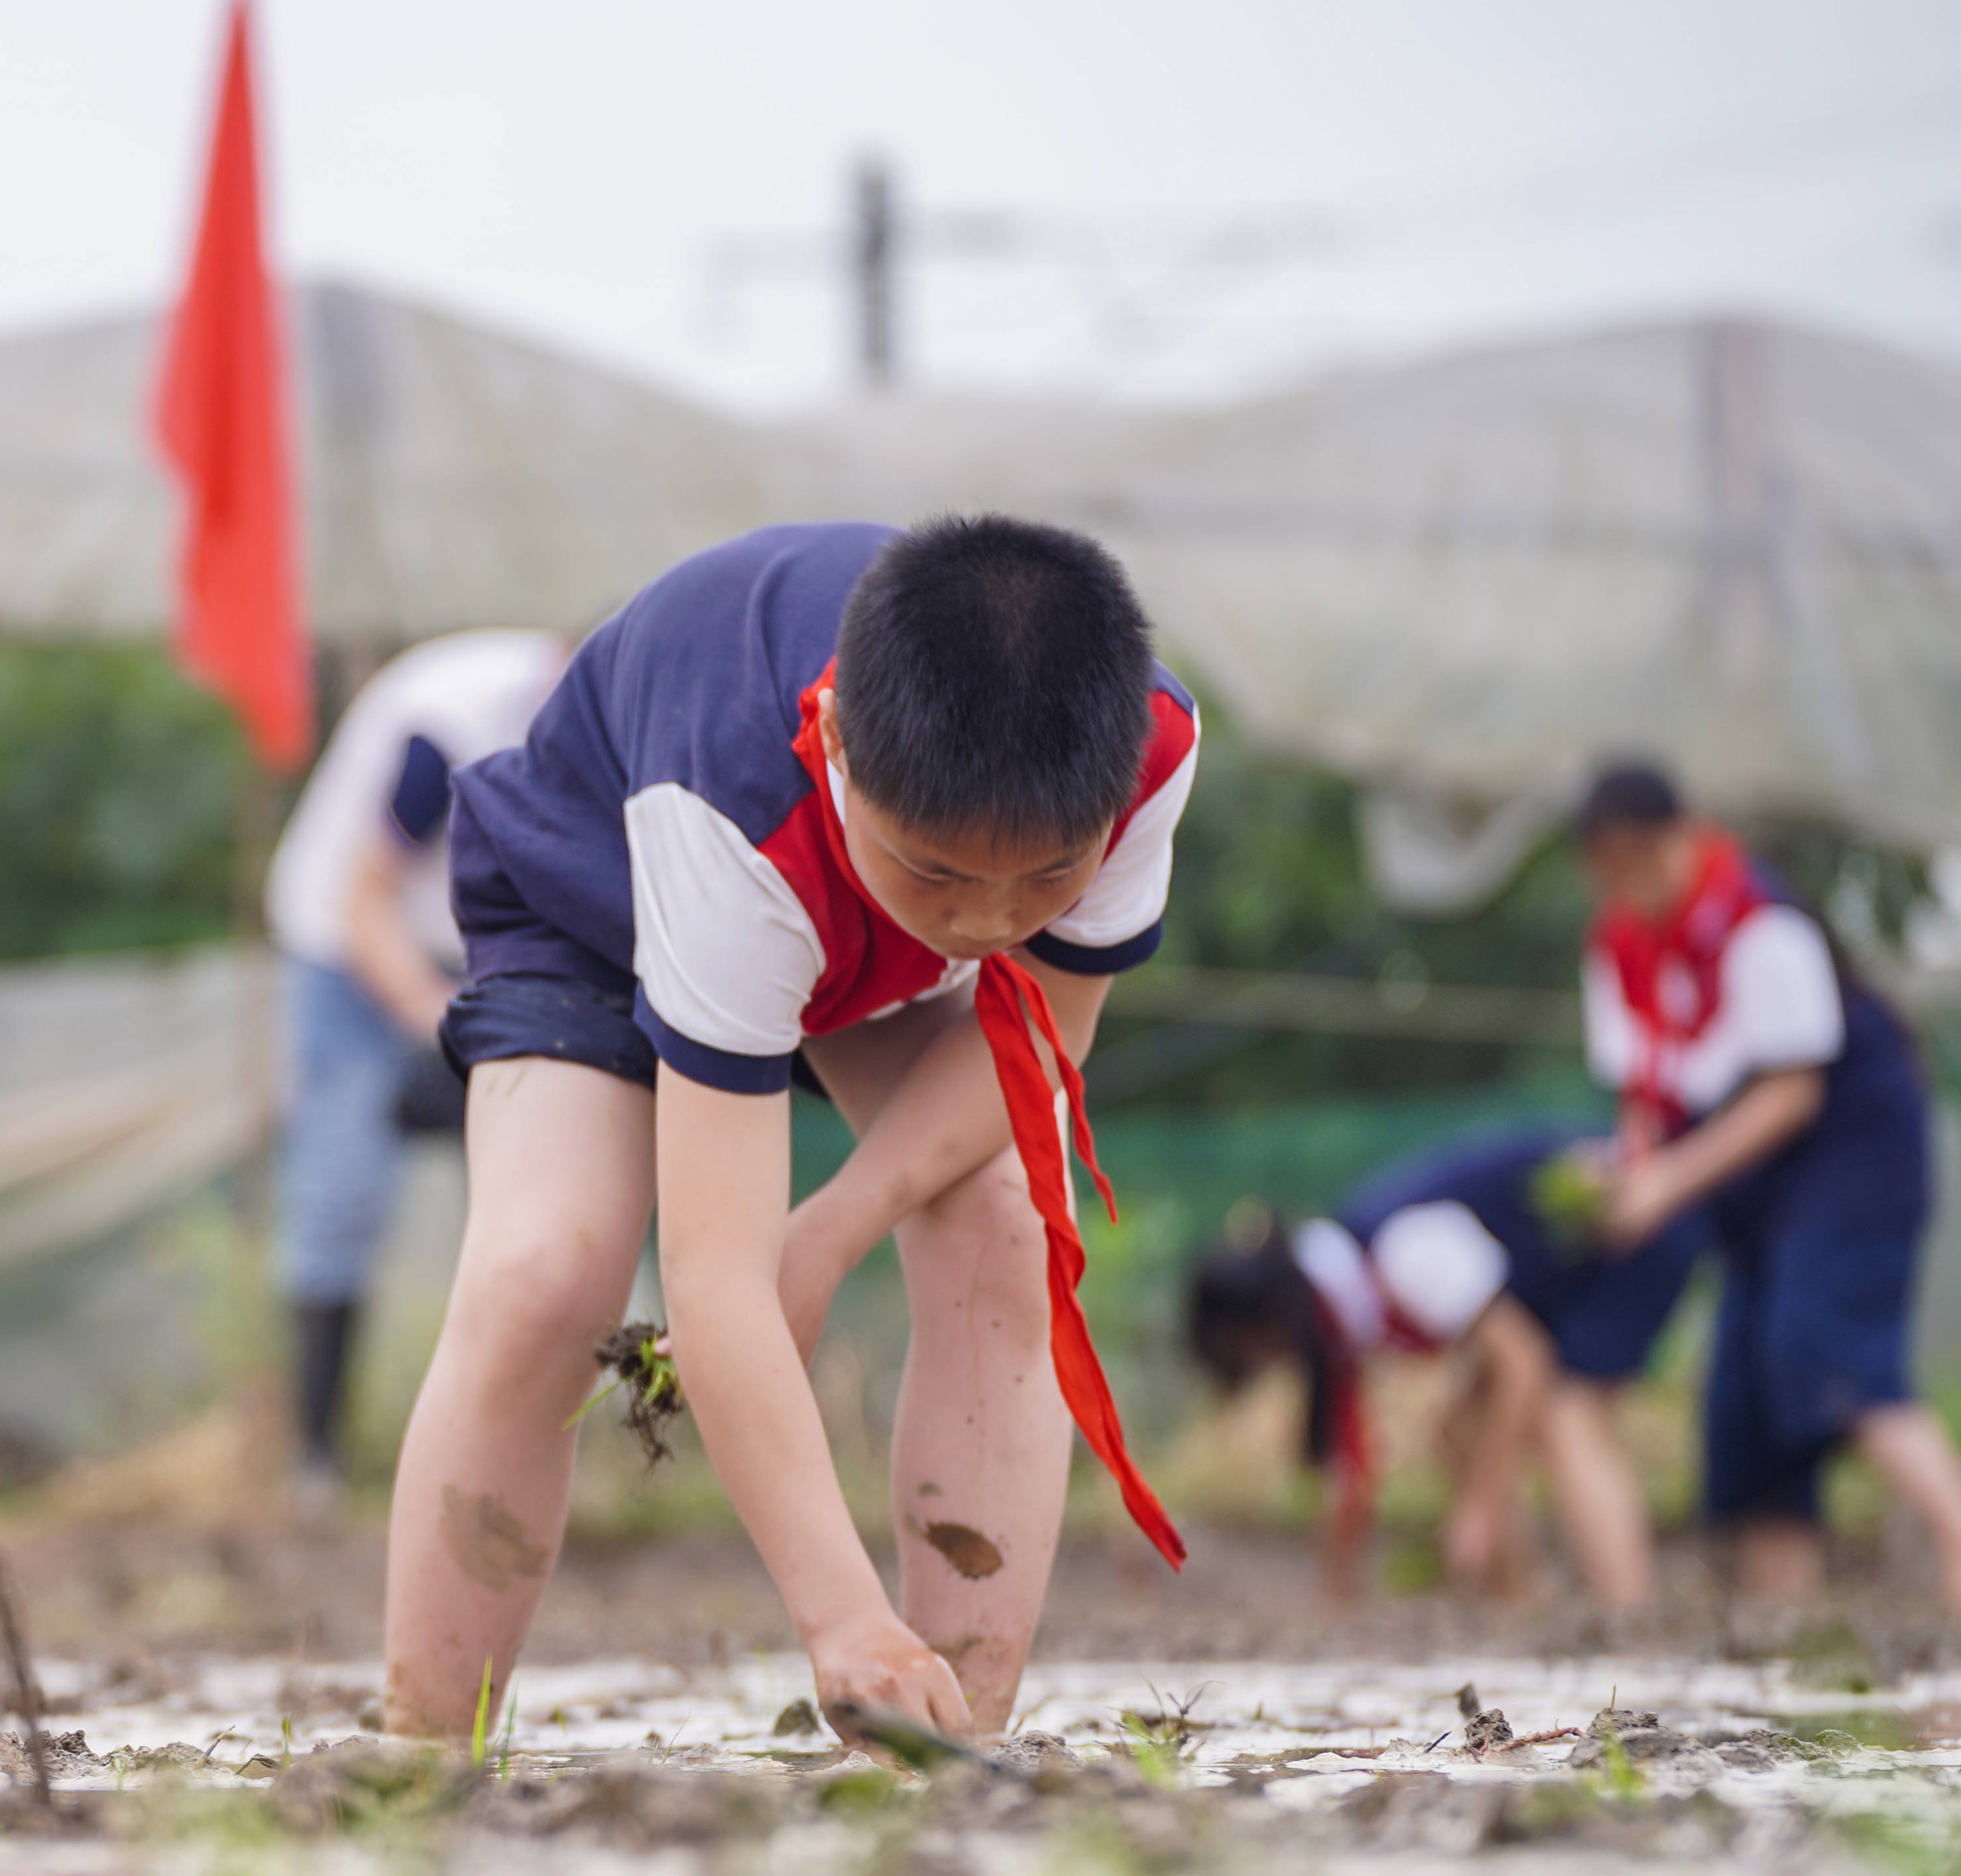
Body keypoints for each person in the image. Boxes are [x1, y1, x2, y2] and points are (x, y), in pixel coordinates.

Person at [383, 519, 1198, 1750]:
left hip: (858, 942)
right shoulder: (734, 803)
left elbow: (1039, 1045)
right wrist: (842, 1620)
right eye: (941, 875)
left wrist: (827, 1233)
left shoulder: (1147, 747)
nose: (990, 925)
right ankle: (423, 1747)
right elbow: (715, 1278)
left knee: (1001, 1226)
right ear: (835, 748)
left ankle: (951, 1738)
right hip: (597, 894)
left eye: (1047, 881)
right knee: (545, 1271)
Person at [1571, 760, 1961, 1605]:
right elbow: (1644, 1098)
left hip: (1851, 1164)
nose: (1626, 881)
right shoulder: (1621, 948)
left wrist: (1666, 1184)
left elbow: (1793, 1091)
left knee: (1829, 1351)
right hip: (1751, 1193)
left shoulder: (1759, 924)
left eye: (1641, 856)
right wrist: (1627, 1168)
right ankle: (1783, 1631)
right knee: (1745, 1406)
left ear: (1682, 835)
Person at [261, 628, 566, 1505]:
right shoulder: (451, 729)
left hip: (481, 949)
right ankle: (315, 1459)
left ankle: (506, 1457)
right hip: (351, 953)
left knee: (527, 1198)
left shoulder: (628, 734)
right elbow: (365, 904)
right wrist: (447, 1024)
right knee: (343, 1183)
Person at [1186, 1130, 1696, 1608]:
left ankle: (1629, 1606)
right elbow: (1349, 1470)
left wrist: (1479, 1509)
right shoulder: (1344, 1292)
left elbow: (1523, 1364)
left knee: (1568, 1417)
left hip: (1631, 1223)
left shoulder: (1402, 1257)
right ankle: (1523, 1608)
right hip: (1569, 1274)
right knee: (1461, 1430)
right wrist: (1337, 1597)